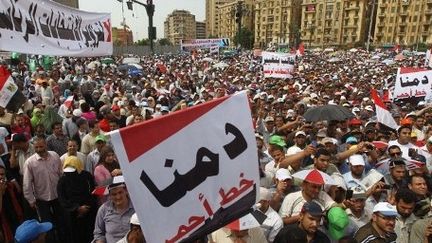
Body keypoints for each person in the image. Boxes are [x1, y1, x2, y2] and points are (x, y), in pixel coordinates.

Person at [22, 137, 65, 243]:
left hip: (57, 196)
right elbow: (26, 183)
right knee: (47, 225)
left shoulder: (54, 155)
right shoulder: (30, 162)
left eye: (41, 146)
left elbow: (61, 173)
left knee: (62, 221)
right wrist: (31, 200)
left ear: (46, 145)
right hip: (42, 199)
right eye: (36, 147)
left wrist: (64, 192)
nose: (39, 149)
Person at [57, 156, 96, 243]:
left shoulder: (87, 177)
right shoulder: (62, 181)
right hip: (72, 215)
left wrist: (86, 207)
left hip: (88, 212)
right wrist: (76, 208)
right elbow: (62, 199)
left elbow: (92, 193)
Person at [93, 176, 135, 243]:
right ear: (109, 196)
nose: (118, 197)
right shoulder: (103, 209)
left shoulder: (136, 208)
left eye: (120, 192)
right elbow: (98, 233)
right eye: (114, 194)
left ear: (126, 191)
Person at [0, 165, 24, 243]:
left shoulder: (10, 186)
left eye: (2, 174)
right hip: (4, 225)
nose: (0, 177)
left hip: (16, 220)